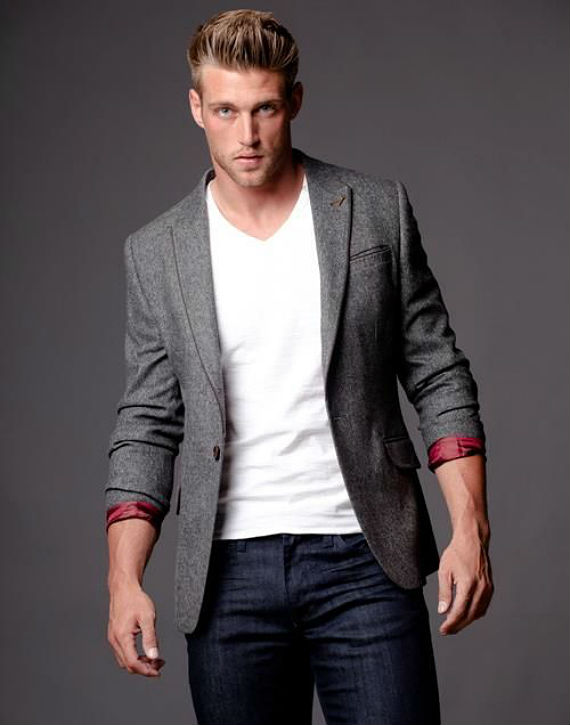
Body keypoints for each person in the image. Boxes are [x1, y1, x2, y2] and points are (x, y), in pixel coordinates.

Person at [105, 9, 494, 725]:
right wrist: (123, 578)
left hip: (366, 557)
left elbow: (438, 374)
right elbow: (148, 422)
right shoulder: (158, 251)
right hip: (226, 574)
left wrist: (469, 530)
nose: (247, 135)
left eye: (265, 109)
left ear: (295, 102)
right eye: (226, 110)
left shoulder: (374, 211)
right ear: (196, 108)